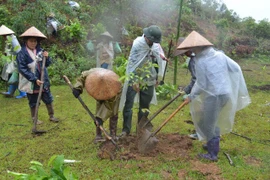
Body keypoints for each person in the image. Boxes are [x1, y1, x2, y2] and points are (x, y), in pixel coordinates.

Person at [177, 30, 251, 161]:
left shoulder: (200, 61)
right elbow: (235, 68)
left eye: (193, 48)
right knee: (209, 120)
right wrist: (221, 76)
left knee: (208, 124)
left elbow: (201, 84)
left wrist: (191, 96)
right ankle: (211, 144)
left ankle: (212, 154)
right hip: (224, 93)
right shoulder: (220, 55)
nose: (192, 51)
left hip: (214, 96)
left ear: (198, 47)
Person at [119, 25, 167, 137]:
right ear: (146, 36)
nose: (152, 43)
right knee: (129, 104)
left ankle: (141, 129)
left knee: (145, 106)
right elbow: (132, 63)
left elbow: (157, 61)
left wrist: (156, 78)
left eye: (154, 41)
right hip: (134, 77)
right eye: (151, 40)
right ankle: (126, 130)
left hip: (149, 78)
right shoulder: (138, 44)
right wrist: (134, 80)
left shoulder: (155, 46)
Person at [16, 26, 59, 125]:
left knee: (48, 98)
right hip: (31, 81)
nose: (33, 43)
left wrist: (47, 58)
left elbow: (47, 64)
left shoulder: (40, 51)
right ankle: (34, 118)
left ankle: (51, 116)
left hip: (43, 79)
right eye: (31, 41)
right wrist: (34, 79)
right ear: (26, 41)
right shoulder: (22, 54)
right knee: (33, 100)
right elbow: (22, 69)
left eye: (35, 41)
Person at [72, 68, 121, 143]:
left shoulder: (115, 87)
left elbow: (109, 106)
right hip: (99, 89)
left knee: (113, 112)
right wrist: (77, 88)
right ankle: (98, 135)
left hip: (113, 95)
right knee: (99, 111)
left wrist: (100, 118)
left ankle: (113, 134)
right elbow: (82, 77)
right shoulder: (92, 74)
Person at [174, 37, 197, 140]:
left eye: (184, 52)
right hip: (205, 86)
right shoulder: (197, 56)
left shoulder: (195, 60)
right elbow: (195, 79)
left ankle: (200, 133)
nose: (184, 55)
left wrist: (190, 94)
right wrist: (185, 91)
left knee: (200, 111)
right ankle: (201, 132)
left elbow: (197, 80)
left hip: (205, 88)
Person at [0, 25, 27, 99]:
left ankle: (23, 93)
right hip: (13, 60)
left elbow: (18, 50)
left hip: (16, 60)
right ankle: (10, 92)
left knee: (17, 76)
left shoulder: (12, 39)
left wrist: (17, 60)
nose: (3, 37)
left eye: (3, 35)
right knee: (13, 75)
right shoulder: (9, 39)